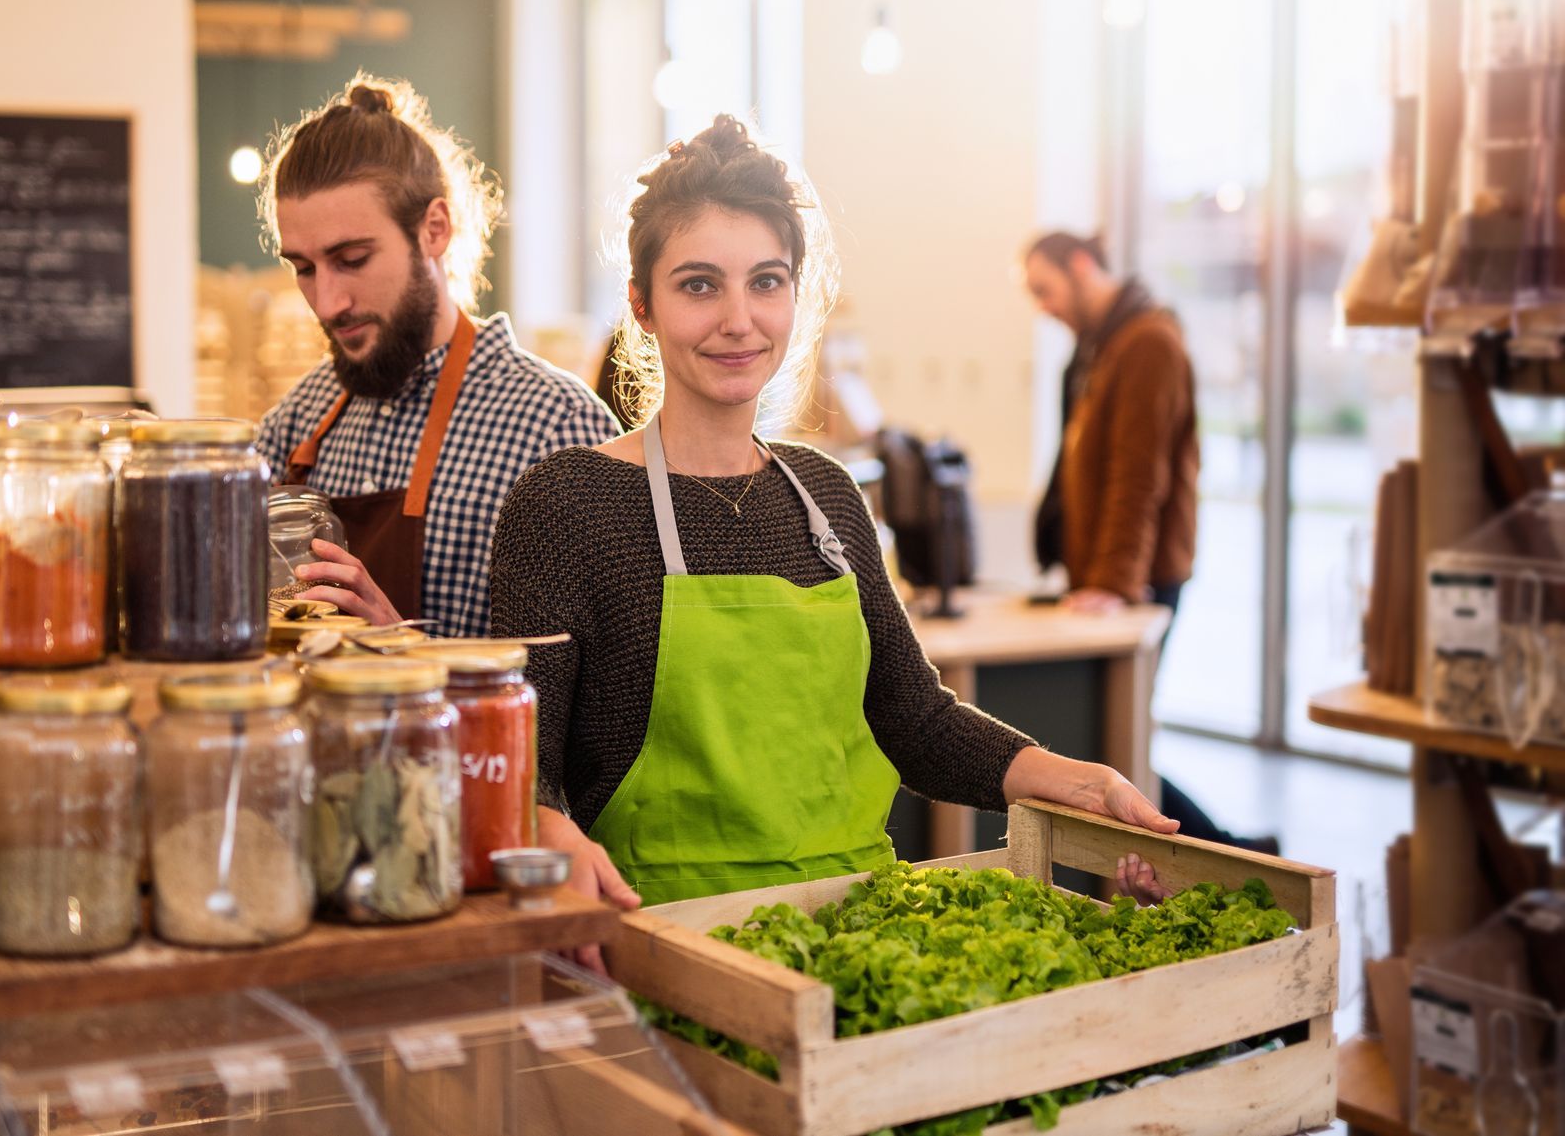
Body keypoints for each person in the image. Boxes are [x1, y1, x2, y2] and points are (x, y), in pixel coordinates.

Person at [490, 118, 1175, 952]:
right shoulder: (567, 503)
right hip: (665, 947)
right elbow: (517, 766)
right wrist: (548, 830)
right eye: (700, 285)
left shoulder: (825, 497)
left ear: (795, 294)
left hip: (860, 935)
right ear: (642, 302)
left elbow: (912, 718)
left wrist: (1076, 780)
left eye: (766, 282)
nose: (739, 319)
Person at [255, 75, 619, 638]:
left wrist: (402, 650)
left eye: (351, 258)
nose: (327, 302)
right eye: (304, 268)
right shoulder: (297, 423)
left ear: (434, 229)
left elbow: (593, 695)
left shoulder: (557, 429)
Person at [1021, 229, 1276, 854]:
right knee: (1117, 737)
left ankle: (1230, 854)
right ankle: (1234, 848)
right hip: (1114, 575)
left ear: (1082, 267)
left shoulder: (1147, 344)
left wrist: (1111, 583)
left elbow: (1140, 478)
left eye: (1044, 289)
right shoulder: (1104, 347)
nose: (1042, 306)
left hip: (1138, 579)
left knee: (1121, 738)